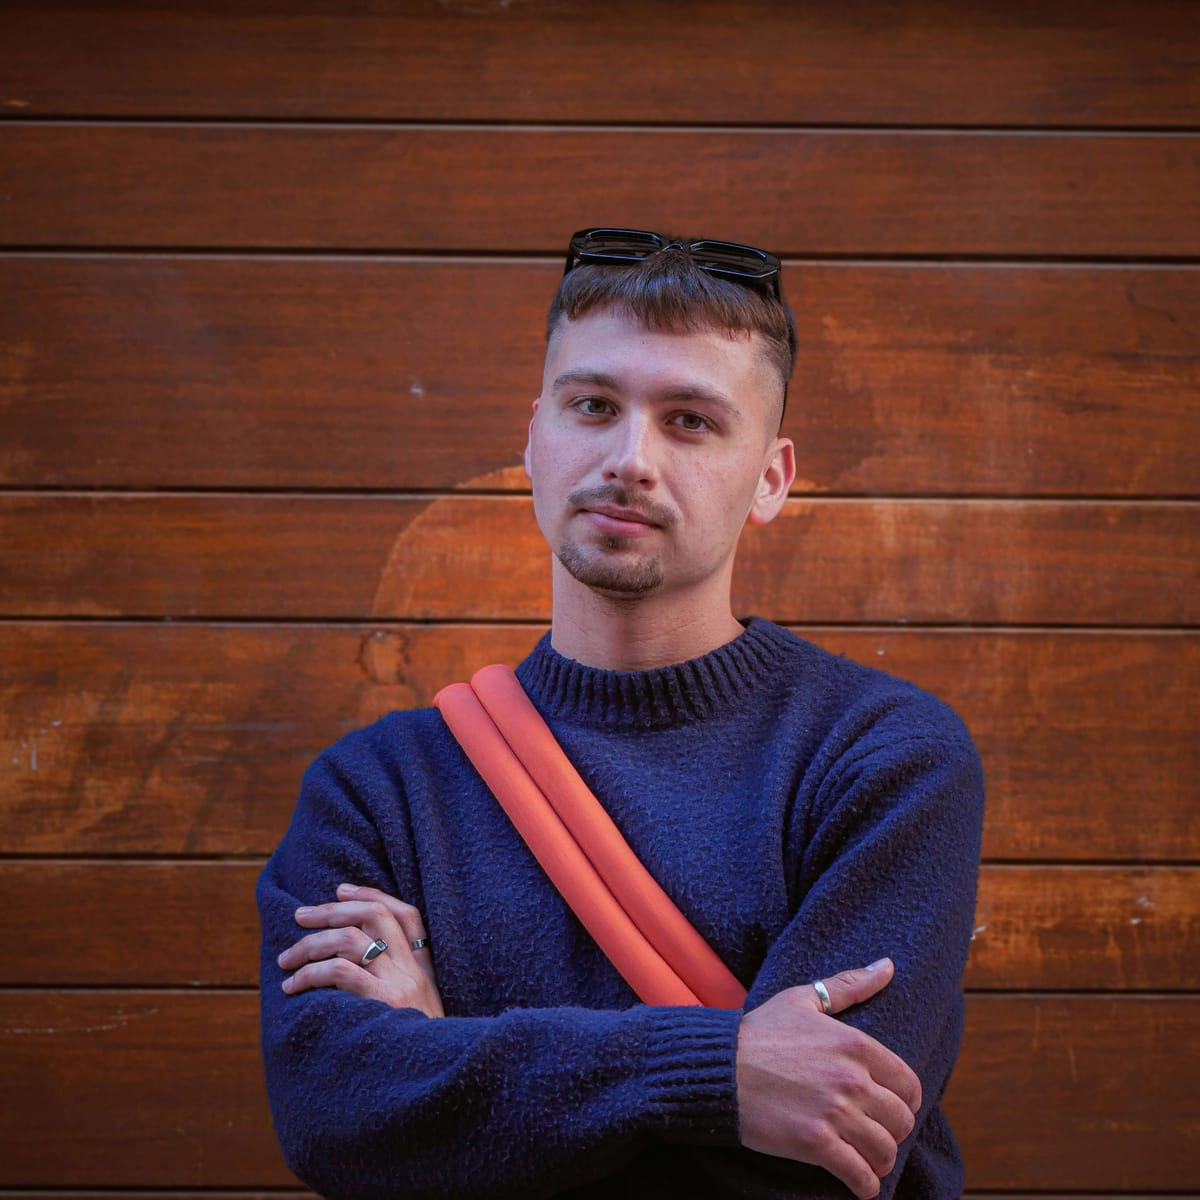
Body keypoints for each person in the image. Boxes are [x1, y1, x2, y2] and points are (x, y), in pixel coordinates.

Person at [257, 228, 985, 1199]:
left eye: (690, 421)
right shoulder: (377, 790)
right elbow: (335, 1116)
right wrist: (718, 1074)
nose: (629, 459)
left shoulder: (883, 759)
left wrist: (444, 1063)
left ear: (771, 477)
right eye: (594, 406)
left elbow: (828, 1156)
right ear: (533, 439)